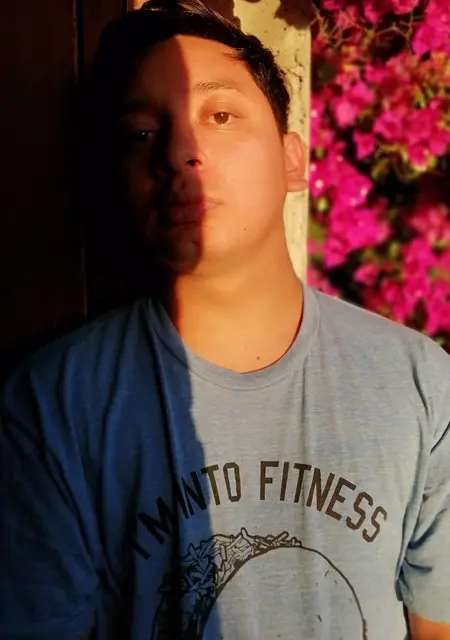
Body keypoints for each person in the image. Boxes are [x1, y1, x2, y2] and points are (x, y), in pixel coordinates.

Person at [1, 1, 450, 638]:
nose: (180, 152)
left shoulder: (421, 384)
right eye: (142, 133)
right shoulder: (51, 406)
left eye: (219, 115)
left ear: (293, 159)